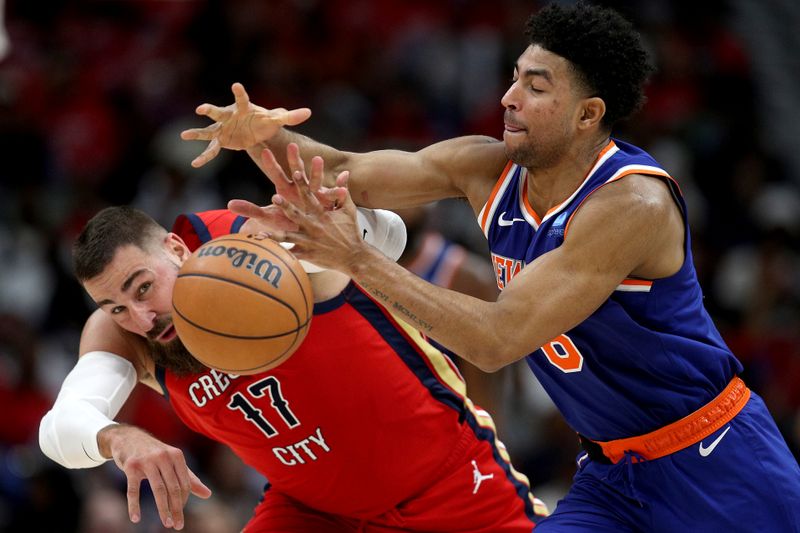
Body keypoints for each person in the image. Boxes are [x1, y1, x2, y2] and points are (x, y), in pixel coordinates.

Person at [181, 2, 800, 531]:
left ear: (587, 114)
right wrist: (260, 134)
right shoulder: (486, 167)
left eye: (536, 86)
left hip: (716, 460)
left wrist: (356, 259)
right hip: (613, 473)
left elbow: (498, 337)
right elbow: (343, 167)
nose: (508, 98)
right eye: (513, 78)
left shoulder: (631, 203)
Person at [39, 198, 548, 532]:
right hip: (318, 512)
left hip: (445, 479)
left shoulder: (241, 249)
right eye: (116, 307)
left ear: (175, 249)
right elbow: (60, 429)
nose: (141, 316)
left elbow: (386, 237)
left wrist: (317, 231)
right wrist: (118, 437)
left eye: (143, 287)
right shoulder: (127, 336)